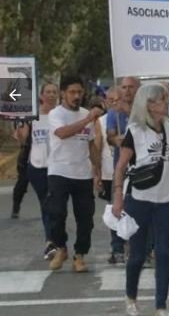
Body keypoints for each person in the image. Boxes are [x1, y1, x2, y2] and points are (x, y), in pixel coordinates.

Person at [111, 83, 169, 316]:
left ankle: (161, 307)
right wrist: (118, 196)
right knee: (137, 254)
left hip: (165, 201)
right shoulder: (135, 131)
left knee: (164, 253)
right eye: (163, 99)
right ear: (150, 104)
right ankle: (131, 298)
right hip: (139, 199)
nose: (166, 103)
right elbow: (121, 166)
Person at [46, 76, 103, 272]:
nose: (76, 96)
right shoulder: (56, 114)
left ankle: (80, 255)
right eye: (72, 92)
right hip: (59, 171)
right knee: (56, 213)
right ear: (63, 93)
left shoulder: (86, 113)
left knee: (85, 217)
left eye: (79, 92)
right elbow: (62, 133)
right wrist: (88, 120)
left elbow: (91, 144)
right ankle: (61, 248)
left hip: (82, 173)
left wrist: (98, 170)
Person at [15, 82, 59, 258]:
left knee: (56, 205)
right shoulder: (32, 116)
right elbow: (23, 138)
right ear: (41, 95)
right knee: (46, 203)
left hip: (58, 167)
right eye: (48, 92)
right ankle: (50, 241)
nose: (51, 95)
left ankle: (55, 238)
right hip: (37, 167)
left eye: (54, 92)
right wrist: (19, 127)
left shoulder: (60, 115)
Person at [106, 76, 141, 264]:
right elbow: (110, 136)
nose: (127, 91)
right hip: (121, 166)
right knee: (117, 207)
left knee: (142, 209)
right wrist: (116, 139)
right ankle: (117, 248)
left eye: (131, 87)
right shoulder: (114, 112)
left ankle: (144, 247)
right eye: (124, 87)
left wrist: (127, 111)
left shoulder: (144, 110)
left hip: (142, 168)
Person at [97, 87, 126, 264]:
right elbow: (100, 145)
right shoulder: (104, 120)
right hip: (111, 172)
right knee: (115, 210)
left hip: (131, 170)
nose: (114, 103)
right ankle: (117, 248)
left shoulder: (131, 115)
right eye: (111, 100)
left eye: (117, 99)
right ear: (105, 102)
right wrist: (97, 173)